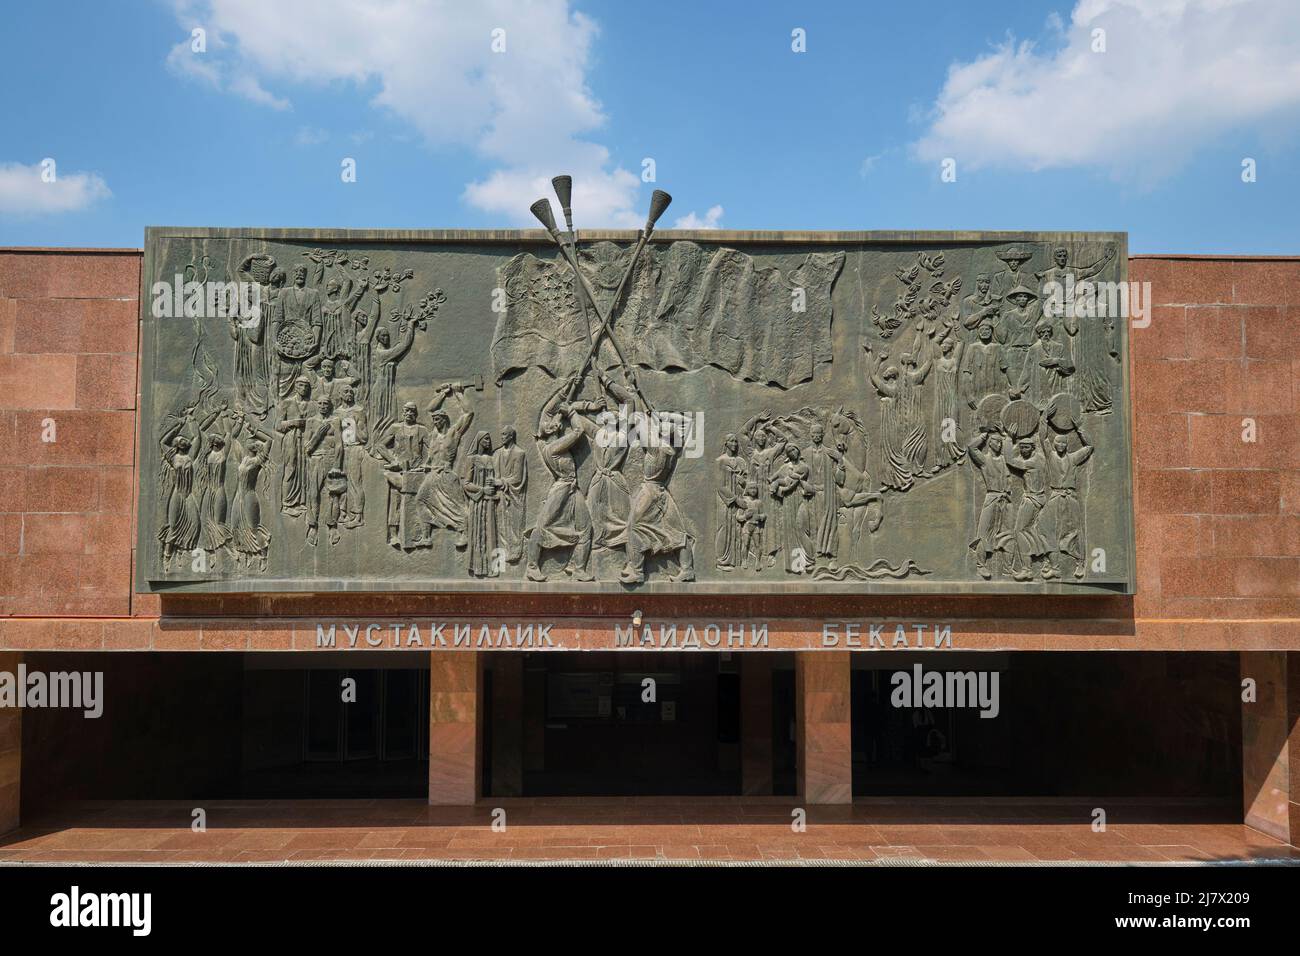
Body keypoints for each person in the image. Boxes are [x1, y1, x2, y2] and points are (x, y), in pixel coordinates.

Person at [526, 376, 596, 582]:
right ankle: (531, 566)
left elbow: (549, 409)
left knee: (586, 528)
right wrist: (571, 412)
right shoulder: (553, 447)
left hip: (573, 489)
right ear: (547, 430)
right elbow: (578, 430)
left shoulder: (550, 436)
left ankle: (578, 568)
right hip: (562, 488)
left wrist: (568, 387)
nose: (557, 421)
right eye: (553, 423)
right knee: (543, 525)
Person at [966, 430, 1013, 579]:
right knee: (983, 532)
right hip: (992, 498)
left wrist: (1008, 438)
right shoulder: (985, 460)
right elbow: (971, 448)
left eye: (1000, 442)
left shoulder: (1006, 460)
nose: (999, 444)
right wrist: (983, 436)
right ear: (990, 443)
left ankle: (1008, 568)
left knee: (1007, 533)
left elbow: (1013, 453)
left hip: (1005, 500)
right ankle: (981, 565)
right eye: (996, 441)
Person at [462, 431, 501, 577]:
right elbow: (466, 484)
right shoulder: (471, 459)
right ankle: (478, 568)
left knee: (491, 534)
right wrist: (482, 490)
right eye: (485, 439)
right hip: (477, 503)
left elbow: (498, 478)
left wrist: (495, 485)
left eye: (489, 439)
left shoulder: (491, 459)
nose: (488, 441)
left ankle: (495, 568)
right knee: (478, 533)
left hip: (490, 502)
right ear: (479, 441)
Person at [492, 426, 528, 564]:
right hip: (500, 495)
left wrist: (500, 481)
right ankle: (503, 552)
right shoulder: (497, 453)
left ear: (511, 436)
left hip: (514, 495)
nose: (502, 437)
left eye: (504, 434)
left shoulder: (519, 453)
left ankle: (516, 552)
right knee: (501, 523)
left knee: (514, 524)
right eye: (501, 434)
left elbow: (518, 478)